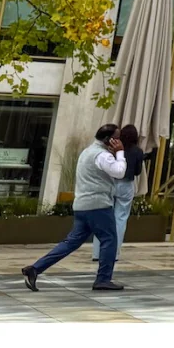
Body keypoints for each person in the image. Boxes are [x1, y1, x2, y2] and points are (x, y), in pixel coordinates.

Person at [21, 124, 126, 292]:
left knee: (71, 242)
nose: (120, 141)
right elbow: (119, 172)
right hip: (98, 205)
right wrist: (120, 152)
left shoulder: (87, 152)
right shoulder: (102, 156)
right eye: (117, 138)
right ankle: (103, 279)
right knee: (109, 240)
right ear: (108, 139)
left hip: (81, 206)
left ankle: (35, 269)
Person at [92, 124, 143, 263]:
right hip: (126, 184)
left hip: (111, 182)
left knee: (104, 217)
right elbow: (138, 171)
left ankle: (97, 252)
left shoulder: (112, 149)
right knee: (120, 219)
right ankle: (113, 253)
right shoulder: (137, 151)